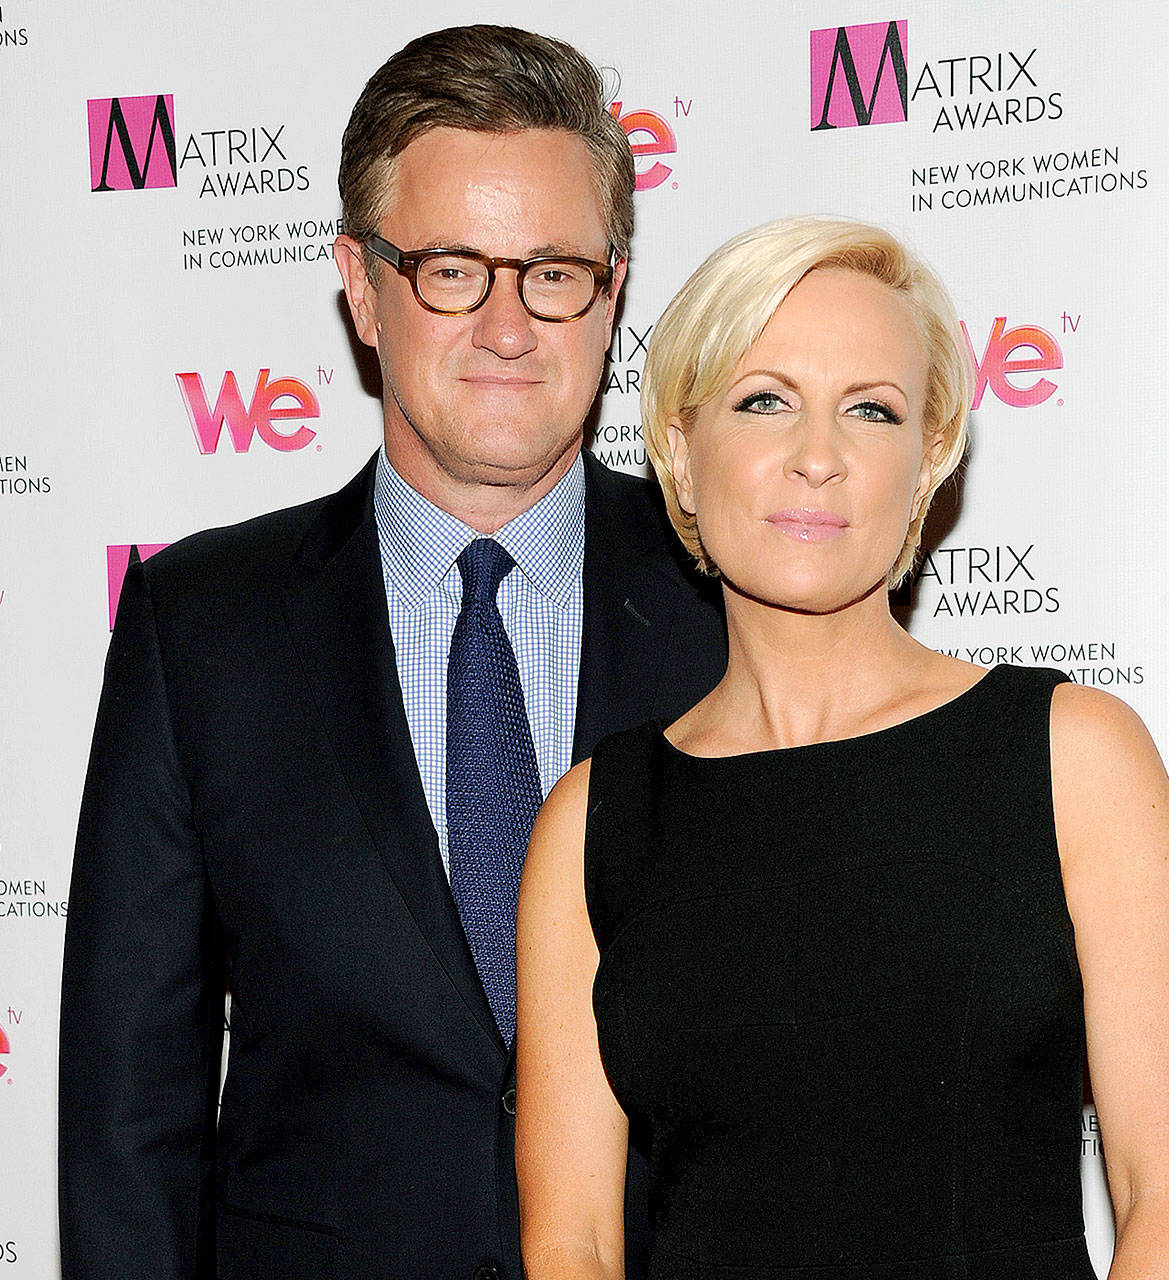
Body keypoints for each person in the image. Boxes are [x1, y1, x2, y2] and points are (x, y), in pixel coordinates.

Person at [58, 25, 724, 1280]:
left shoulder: (730, 601)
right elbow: (128, 1117)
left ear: (614, 291)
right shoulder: (199, 625)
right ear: (361, 286)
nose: (508, 325)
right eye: (451, 270)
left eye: (553, 272)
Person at [515, 216, 1169, 1280]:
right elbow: (570, 1240)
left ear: (927, 458)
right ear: (678, 441)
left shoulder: (1070, 756)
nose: (817, 456)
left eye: (871, 410)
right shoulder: (595, 820)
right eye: (764, 401)